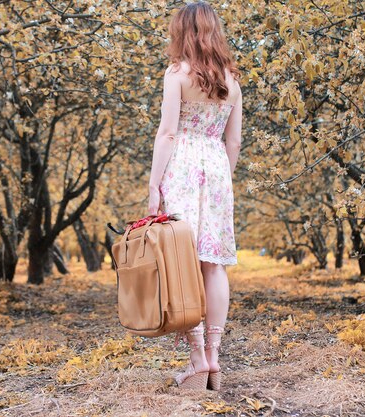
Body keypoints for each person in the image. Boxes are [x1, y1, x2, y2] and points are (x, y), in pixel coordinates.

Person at [147, 1, 243, 391]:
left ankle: (198, 359)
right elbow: (233, 140)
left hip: (183, 165)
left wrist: (154, 184)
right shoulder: (232, 80)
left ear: (182, 32)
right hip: (217, 165)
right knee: (213, 264)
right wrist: (222, 177)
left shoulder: (177, 74)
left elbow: (168, 132)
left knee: (182, 261)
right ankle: (215, 359)